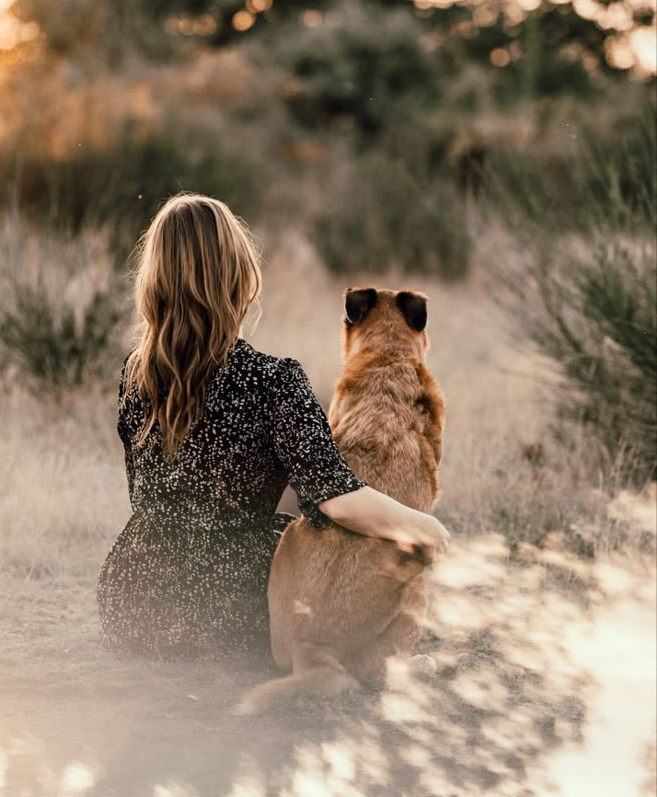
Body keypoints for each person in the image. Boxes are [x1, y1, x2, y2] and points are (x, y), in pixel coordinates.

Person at [96, 193, 449, 659]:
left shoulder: (133, 374)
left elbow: (148, 492)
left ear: (153, 285)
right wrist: (421, 524)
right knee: (308, 539)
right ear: (240, 280)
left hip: (133, 601)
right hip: (229, 610)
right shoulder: (273, 380)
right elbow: (337, 499)